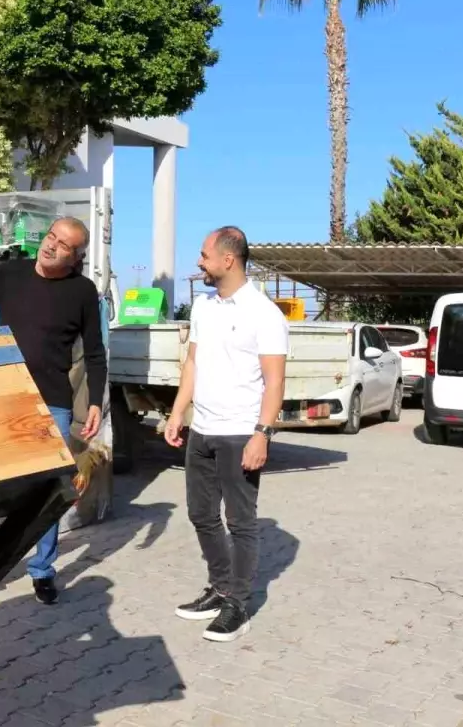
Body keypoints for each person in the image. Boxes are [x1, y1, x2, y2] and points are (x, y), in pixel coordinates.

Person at [0, 216, 108, 605]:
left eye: (63, 245)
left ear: (76, 257)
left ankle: (42, 570)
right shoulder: (10, 274)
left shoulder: (82, 291)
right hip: (8, 399)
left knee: (46, 494)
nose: (51, 246)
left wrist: (95, 400)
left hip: (54, 404)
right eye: (50, 237)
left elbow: (94, 351)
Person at [164, 226, 288, 642]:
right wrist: (178, 412)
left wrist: (262, 434)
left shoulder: (264, 314)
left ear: (228, 260)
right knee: (201, 515)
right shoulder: (203, 307)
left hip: (240, 434)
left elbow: (275, 382)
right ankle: (219, 588)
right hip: (203, 430)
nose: (199, 262)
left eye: (204, 255)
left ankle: (238, 604)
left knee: (241, 523)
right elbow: (193, 364)